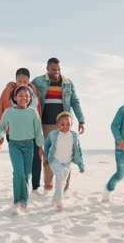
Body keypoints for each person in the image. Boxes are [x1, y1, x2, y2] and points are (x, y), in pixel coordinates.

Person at [31, 57, 85, 195]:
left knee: (66, 154)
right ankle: (48, 187)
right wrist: (13, 85)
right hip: (45, 123)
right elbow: (25, 90)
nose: (57, 72)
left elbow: (75, 102)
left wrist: (81, 120)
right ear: (47, 68)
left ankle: (65, 188)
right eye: (54, 69)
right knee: (49, 154)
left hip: (64, 124)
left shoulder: (68, 83)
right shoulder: (38, 81)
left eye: (59, 69)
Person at [0, 86, 45, 214]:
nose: (24, 98)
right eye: (21, 95)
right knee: (19, 173)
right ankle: (16, 202)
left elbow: (38, 132)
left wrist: (40, 147)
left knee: (27, 175)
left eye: (27, 96)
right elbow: (1, 127)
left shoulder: (33, 112)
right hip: (14, 145)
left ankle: (24, 202)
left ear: (30, 98)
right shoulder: (8, 112)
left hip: (29, 146)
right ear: (15, 97)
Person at [0, 68, 43, 195]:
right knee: (19, 166)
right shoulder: (9, 90)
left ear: (28, 81)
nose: (22, 83)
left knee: (36, 160)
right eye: (19, 80)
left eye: (25, 80)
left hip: (32, 132)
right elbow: (1, 109)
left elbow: (38, 110)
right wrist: (0, 133)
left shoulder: (32, 90)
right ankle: (19, 192)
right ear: (15, 80)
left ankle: (35, 187)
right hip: (14, 133)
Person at [44, 112, 85, 210]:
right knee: (60, 177)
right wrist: (46, 158)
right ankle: (59, 201)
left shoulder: (74, 136)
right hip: (55, 160)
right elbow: (46, 145)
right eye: (62, 124)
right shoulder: (53, 135)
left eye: (68, 124)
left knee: (61, 181)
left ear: (71, 125)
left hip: (67, 162)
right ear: (57, 125)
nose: (65, 127)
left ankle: (55, 198)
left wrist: (81, 165)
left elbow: (79, 150)